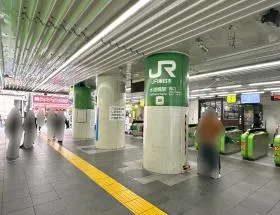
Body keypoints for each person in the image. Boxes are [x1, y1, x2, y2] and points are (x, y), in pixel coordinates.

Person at [196, 107, 224, 179]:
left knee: (203, 157)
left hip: (203, 143)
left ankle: (202, 171)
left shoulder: (202, 121)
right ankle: (215, 174)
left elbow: (198, 132)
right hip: (212, 143)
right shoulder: (216, 121)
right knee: (214, 159)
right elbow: (222, 131)